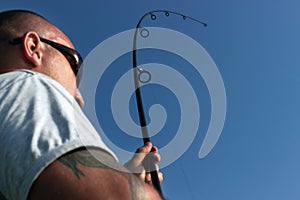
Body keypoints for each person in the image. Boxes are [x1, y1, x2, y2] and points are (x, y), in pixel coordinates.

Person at [0, 10, 163, 200]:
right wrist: (120, 188)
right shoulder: (27, 85)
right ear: (32, 47)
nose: (80, 97)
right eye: (74, 64)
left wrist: (123, 180)